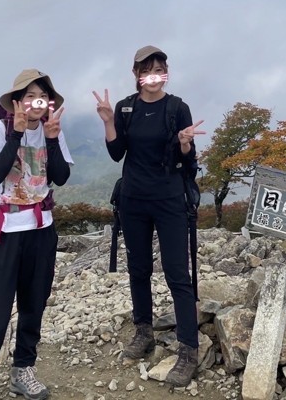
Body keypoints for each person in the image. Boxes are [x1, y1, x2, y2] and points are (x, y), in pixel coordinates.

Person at [92, 45, 205, 387]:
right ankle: (144, 332)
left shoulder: (177, 107)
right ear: (137, 74)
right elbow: (117, 153)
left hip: (169, 199)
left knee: (177, 273)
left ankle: (188, 349)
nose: (153, 77)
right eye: (147, 70)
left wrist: (184, 143)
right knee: (138, 269)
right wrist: (110, 121)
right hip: (133, 200)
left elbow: (189, 161)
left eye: (160, 70)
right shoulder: (127, 107)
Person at [0, 69, 73, 400]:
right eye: (29, 96)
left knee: (33, 306)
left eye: (43, 97)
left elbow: (61, 178)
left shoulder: (52, 131)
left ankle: (23, 369)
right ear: (17, 101)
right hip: (0, 233)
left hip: (40, 231)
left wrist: (52, 139)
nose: (36, 103)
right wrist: (16, 135)